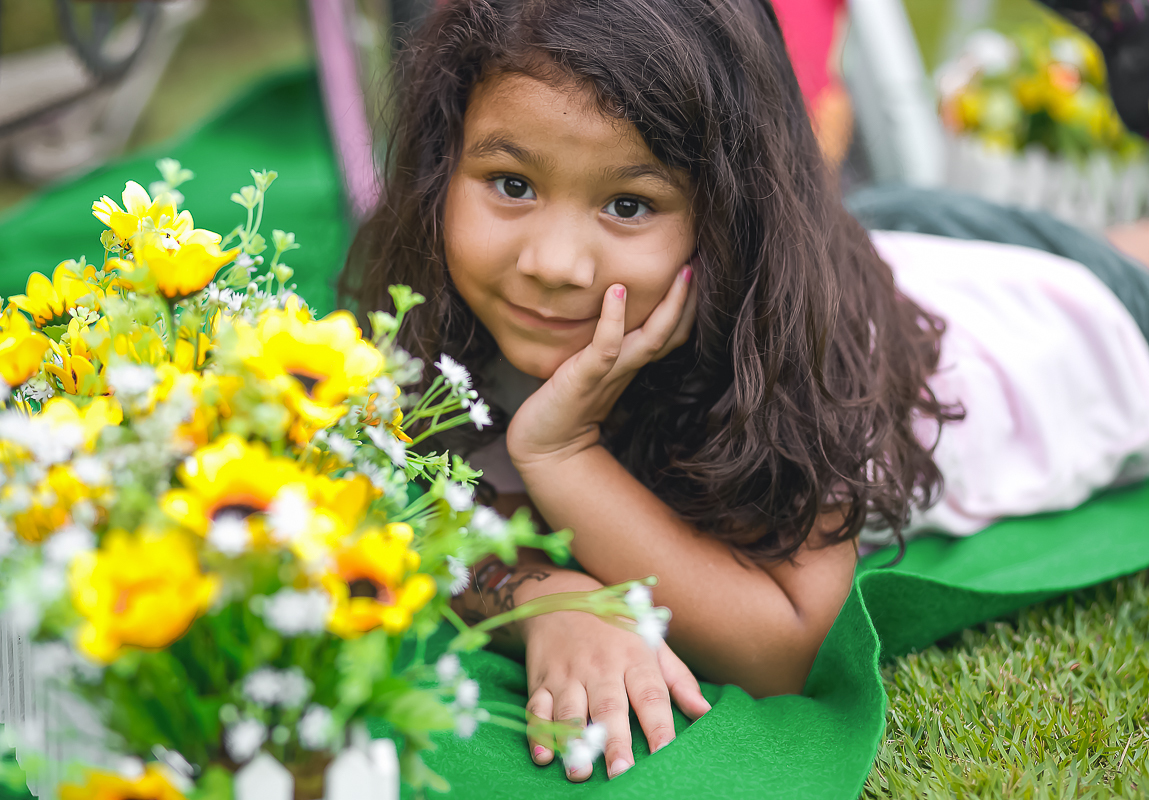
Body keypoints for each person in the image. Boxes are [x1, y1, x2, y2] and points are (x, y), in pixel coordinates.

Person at [339, 0, 1149, 783]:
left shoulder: (796, 340)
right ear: (442, 164)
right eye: (512, 185)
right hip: (900, 234)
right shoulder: (455, 307)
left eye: (628, 204)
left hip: (1077, 324)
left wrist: (561, 452)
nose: (553, 263)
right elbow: (414, 514)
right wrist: (547, 597)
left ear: (728, 222)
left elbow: (786, 646)